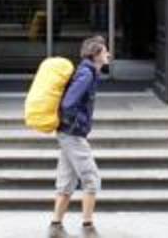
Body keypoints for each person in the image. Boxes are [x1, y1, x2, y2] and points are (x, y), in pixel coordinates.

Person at [49, 35, 111, 238]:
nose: (108, 54)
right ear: (96, 55)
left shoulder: (88, 71)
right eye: (105, 51)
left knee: (66, 180)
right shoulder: (86, 74)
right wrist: (78, 124)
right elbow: (68, 104)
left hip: (68, 133)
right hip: (72, 133)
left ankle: (55, 226)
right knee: (91, 179)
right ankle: (88, 227)